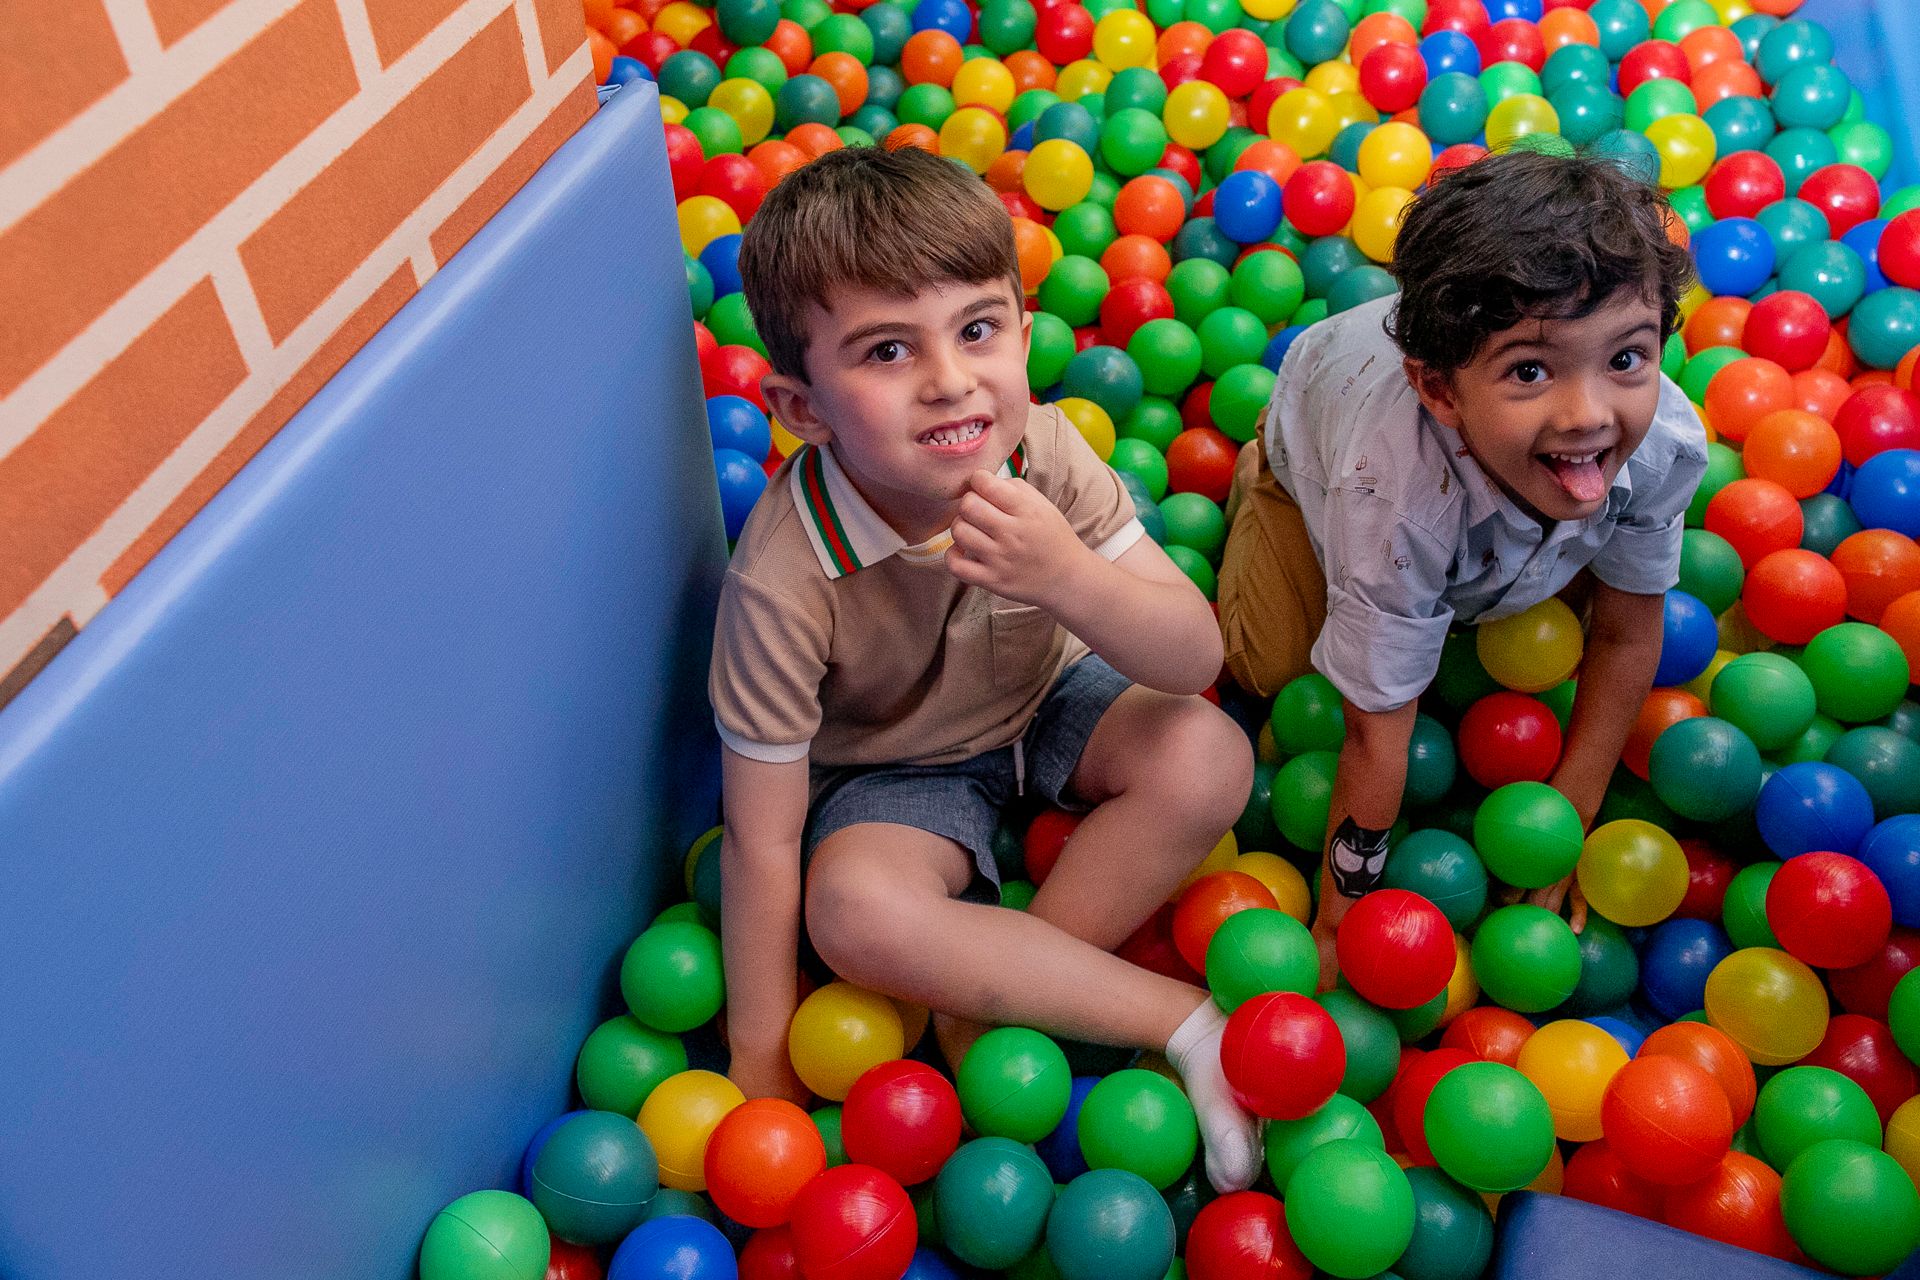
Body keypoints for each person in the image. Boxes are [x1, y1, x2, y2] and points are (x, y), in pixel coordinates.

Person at [712, 144, 1261, 1190]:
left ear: (1022, 323)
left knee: (1208, 758)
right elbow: (763, 836)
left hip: (1050, 693)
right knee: (855, 910)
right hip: (897, 770)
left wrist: (1067, 576)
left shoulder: (1043, 453)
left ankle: (989, 993)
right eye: (886, 352)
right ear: (802, 408)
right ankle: (1179, 1020)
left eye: (977, 329)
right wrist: (760, 1060)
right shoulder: (782, 579)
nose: (951, 381)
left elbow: (1193, 657)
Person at [1217, 149, 1707, 987]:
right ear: (1440, 391)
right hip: (1322, 460)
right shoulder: (1394, 499)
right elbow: (1375, 729)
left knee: (1580, 524)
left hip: (1483, 483)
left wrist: (1572, 809)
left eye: (1626, 358)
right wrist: (1340, 923)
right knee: (1267, 670)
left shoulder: (1661, 442)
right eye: (1530, 370)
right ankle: (1257, 466)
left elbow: (1629, 630)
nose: (1588, 413)